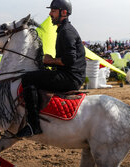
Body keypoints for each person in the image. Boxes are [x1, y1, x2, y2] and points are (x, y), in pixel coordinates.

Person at [16, 0, 86, 137]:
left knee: (28, 78)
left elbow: (69, 59)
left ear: (63, 13)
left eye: (53, 11)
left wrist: (50, 60)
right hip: (68, 74)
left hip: (70, 79)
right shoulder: (63, 30)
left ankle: (33, 125)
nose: (50, 14)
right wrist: (49, 62)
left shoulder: (66, 32)